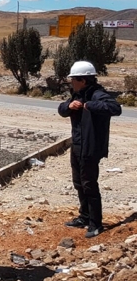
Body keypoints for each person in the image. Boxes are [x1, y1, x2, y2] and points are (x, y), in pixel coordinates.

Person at [58, 61, 121, 238]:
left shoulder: (98, 95)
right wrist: (69, 106)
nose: (71, 83)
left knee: (89, 185)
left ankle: (96, 224)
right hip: (77, 145)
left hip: (91, 147)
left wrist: (89, 105)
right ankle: (84, 217)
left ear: (83, 80)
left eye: (73, 80)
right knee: (78, 183)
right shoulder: (77, 94)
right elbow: (62, 110)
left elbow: (115, 108)